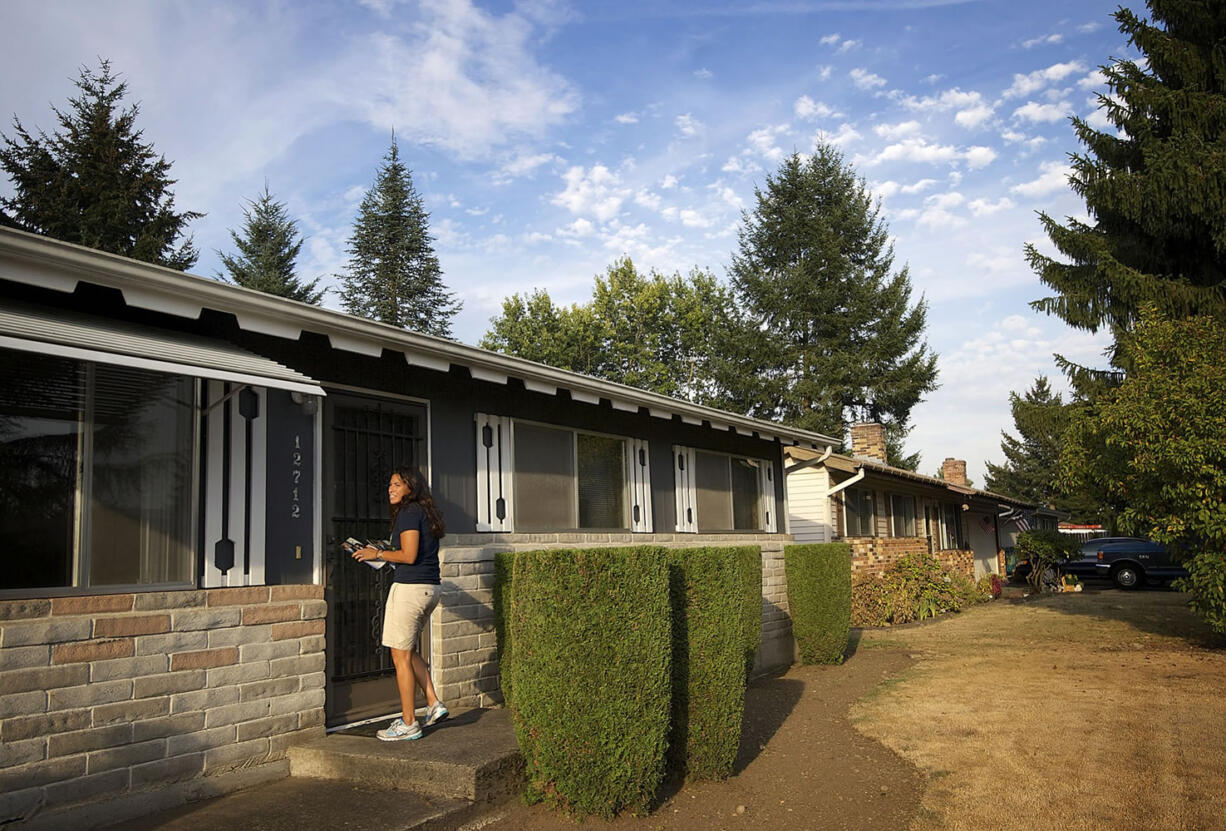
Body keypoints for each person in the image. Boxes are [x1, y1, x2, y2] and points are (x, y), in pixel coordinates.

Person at [351, 466, 449, 741]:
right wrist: (382, 550)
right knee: (408, 650)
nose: (390, 488)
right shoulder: (424, 513)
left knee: (400, 656)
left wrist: (379, 553)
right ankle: (433, 703)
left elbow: (408, 555)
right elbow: (412, 551)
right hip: (430, 588)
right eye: (390, 484)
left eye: (397, 484)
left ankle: (408, 723)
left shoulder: (409, 513)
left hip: (409, 589)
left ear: (410, 487)